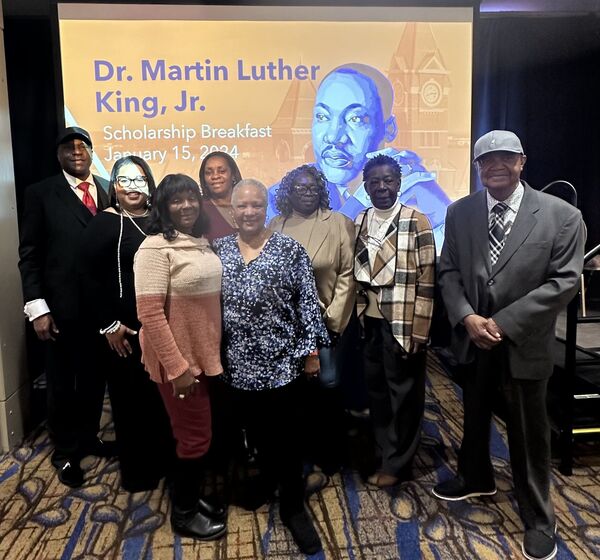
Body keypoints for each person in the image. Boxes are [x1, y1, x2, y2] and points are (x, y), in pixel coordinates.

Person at [434, 130, 585, 560]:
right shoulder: (459, 212)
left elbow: (563, 282)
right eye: (486, 160)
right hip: (473, 339)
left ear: (522, 161)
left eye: (504, 158)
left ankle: (539, 516)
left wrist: (499, 322)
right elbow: (449, 273)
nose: (495, 165)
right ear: (478, 168)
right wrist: (467, 317)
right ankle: (475, 476)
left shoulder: (562, 215)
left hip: (523, 341)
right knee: (475, 415)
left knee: (528, 433)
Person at [212, 179, 329, 555]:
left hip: (282, 368)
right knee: (254, 440)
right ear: (232, 210)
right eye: (241, 206)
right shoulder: (218, 251)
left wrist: (311, 354)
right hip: (235, 369)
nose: (248, 212)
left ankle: (294, 506)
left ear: (267, 209)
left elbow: (309, 305)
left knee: (288, 442)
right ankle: (265, 484)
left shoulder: (289, 250)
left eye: (256, 206)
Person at [18, 126, 115, 488]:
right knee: (62, 384)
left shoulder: (108, 187)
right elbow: (29, 256)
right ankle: (65, 453)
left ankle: (89, 438)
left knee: (93, 380)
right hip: (61, 310)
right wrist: (38, 308)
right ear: (58, 155)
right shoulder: (41, 193)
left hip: (103, 311)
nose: (77, 151)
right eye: (68, 146)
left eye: (83, 145)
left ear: (91, 152)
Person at [134, 174, 226, 540]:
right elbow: (150, 315)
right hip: (180, 365)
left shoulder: (198, 243)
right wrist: (178, 369)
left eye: (192, 198)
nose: (186, 206)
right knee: (194, 438)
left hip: (203, 357)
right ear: (163, 206)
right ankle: (184, 514)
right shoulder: (154, 249)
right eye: (176, 201)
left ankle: (192, 499)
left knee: (196, 435)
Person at [267, 62, 451, 247]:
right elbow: (314, 258)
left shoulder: (411, 194)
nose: (333, 136)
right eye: (322, 117)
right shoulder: (279, 198)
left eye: (355, 119)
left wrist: (441, 214)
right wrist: (361, 201)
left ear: (389, 129)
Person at [79, 156, 175, 492]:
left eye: (139, 180)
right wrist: (108, 325)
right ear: (114, 186)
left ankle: (164, 462)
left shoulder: (158, 221)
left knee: (159, 400)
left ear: (149, 183)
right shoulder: (105, 223)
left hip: (160, 326)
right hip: (124, 331)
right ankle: (139, 473)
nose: (132, 187)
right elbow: (86, 278)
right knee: (130, 403)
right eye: (124, 180)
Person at [270, 164, 355, 485]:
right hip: (286, 329)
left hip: (327, 324)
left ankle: (330, 455)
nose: (306, 192)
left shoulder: (338, 224)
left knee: (327, 392)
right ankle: (301, 454)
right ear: (287, 192)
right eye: (299, 188)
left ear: (321, 189)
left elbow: (347, 275)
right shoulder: (276, 226)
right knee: (295, 397)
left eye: (312, 187)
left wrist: (331, 322)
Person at [354, 154, 436, 487]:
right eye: (374, 181)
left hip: (402, 323)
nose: (382, 187)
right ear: (365, 186)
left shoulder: (417, 220)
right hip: (369, 323)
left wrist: (420, 331)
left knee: (405, 396)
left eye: (388, 180)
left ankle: (399, 463)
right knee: (378, 394)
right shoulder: (360, 219)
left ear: (399, 183)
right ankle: (387, 450)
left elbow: (428, 279)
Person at [198, 151, 242, 241]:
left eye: (222, 171)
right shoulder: (199, 208)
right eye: (208, 173)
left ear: (233, 175)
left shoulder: (247, 204)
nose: (215, 176)